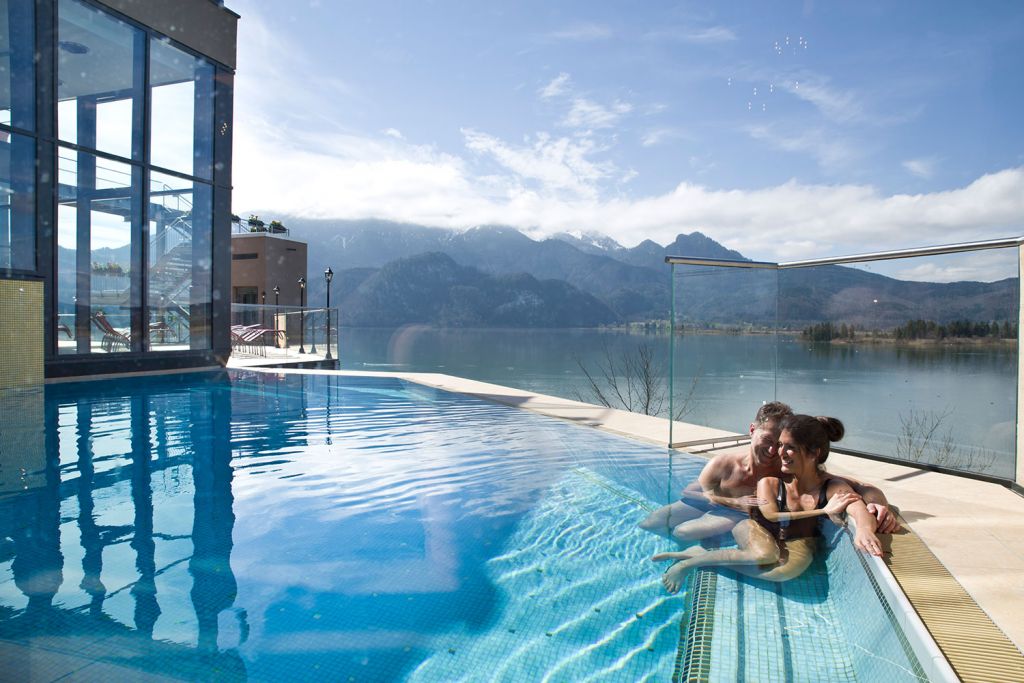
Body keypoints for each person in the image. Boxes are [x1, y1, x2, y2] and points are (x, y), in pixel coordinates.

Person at [653, 414, 883, 592]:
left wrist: (863, 528)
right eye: (780, 445)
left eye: (789, 447)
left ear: (814, 453)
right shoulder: (773, 480)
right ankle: (689, 564)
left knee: (783, 572)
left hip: (799, 541)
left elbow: (857, 504)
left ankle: (702, 556)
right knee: (763, 555)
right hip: (755, 528)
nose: (780, 452)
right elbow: (770, 516)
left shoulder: (831, 486)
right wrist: (823, 510)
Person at [638, 401, 899, 544]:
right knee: (650, 523)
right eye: (769, 439)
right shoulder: (726, 464)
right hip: (720, 505)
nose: (775, 449)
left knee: (686, 533)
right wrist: (728, 501)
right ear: (752, 430)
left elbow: (862, 488)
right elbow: (690, 492)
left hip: (743, 518)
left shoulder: (785, 472)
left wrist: (877, 506)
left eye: (782, 442)